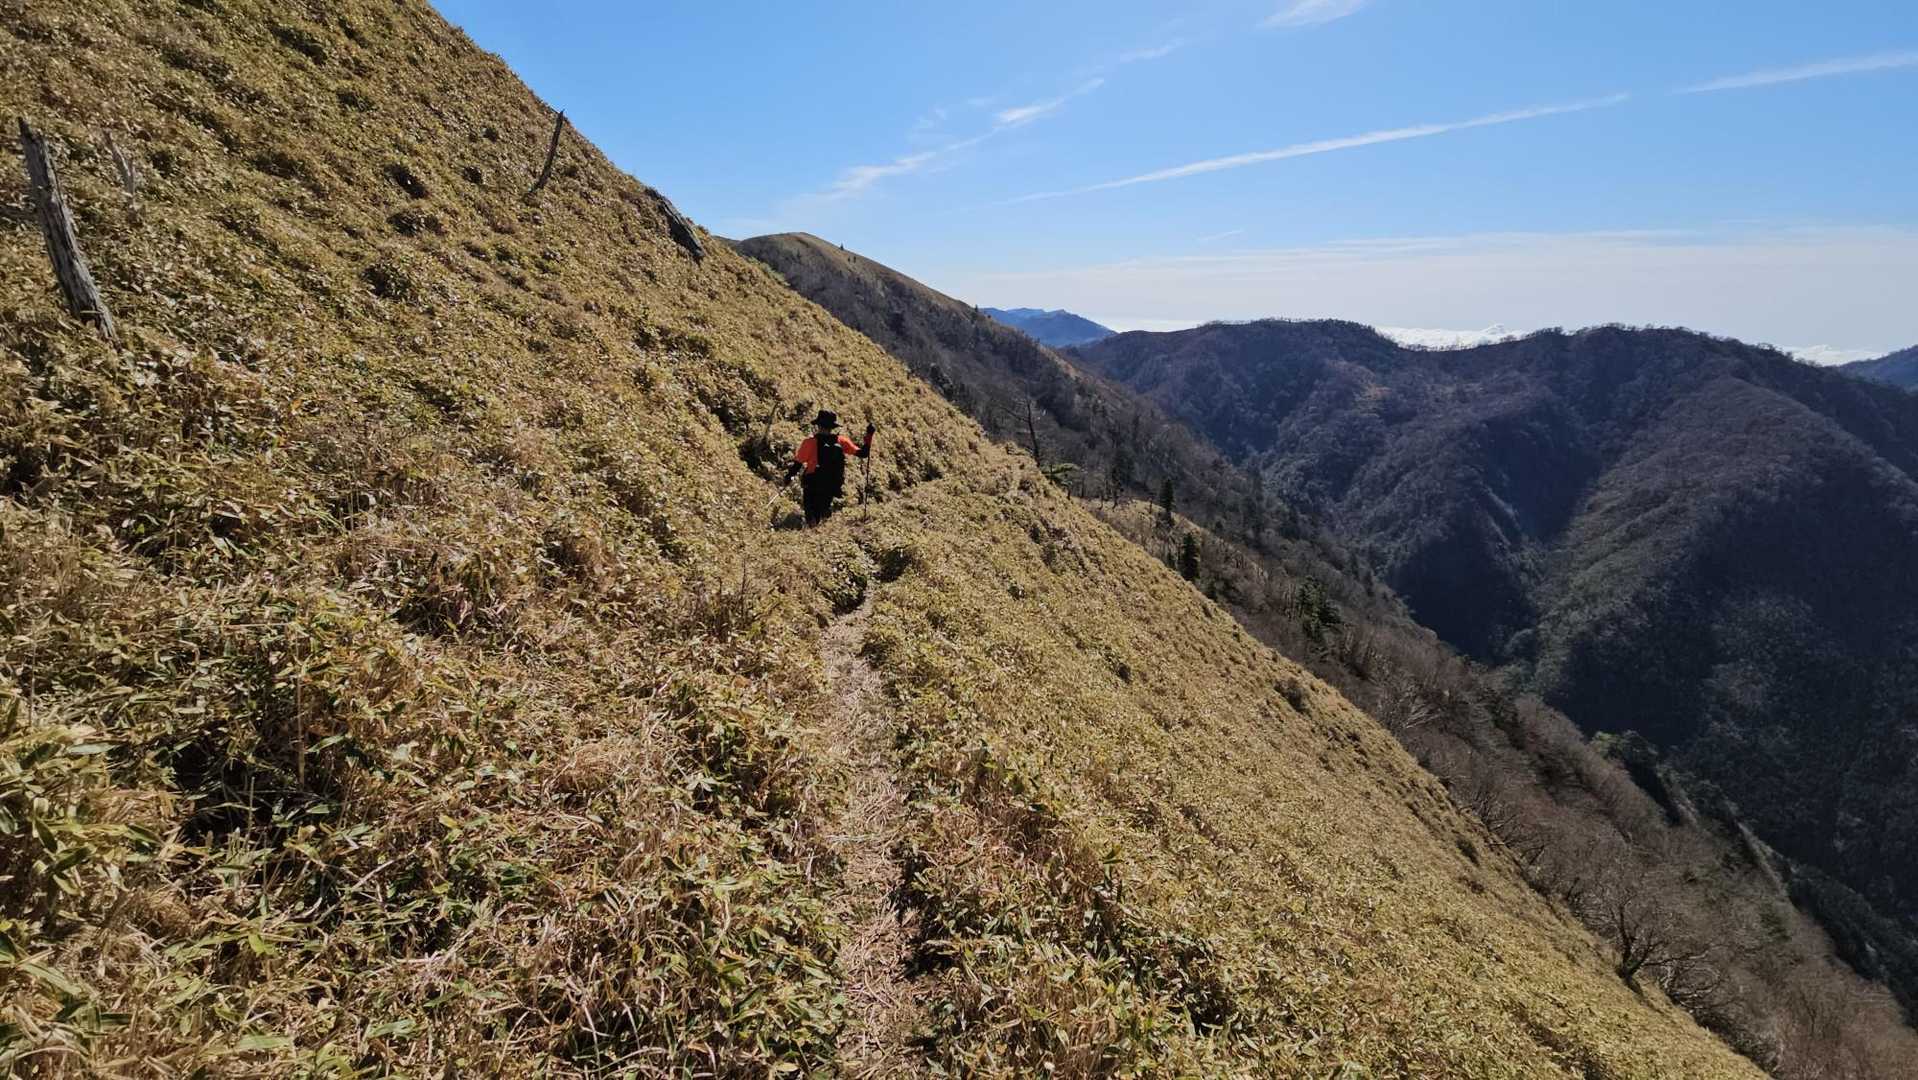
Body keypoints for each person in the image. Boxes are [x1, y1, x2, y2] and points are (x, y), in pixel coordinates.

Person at [784, 410, 875, 526]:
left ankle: (812, 527)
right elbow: (863, 453)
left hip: (812, 482)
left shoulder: (809, 443)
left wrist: (789, 477)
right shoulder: (841, 441)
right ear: (832, 427)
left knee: (811, 512)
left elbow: (797, 464)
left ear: (818, 425)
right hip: (832, 483)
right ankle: (823, 527)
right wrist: (869, 435)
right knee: (822, 509)